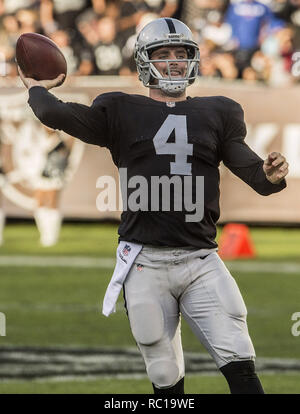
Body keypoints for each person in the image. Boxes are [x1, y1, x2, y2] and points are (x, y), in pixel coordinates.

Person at [18, 17, 288, 394]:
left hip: (201, 261)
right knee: (165, 378)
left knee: (241, 364)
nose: (175, 61)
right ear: (145, 61)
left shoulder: (219, 112)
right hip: (144, 262)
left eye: (182, 53)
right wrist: (36, 87)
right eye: (164, 54)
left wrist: (271, 175)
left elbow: (257, 177)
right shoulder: (119, 110)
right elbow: (56, 114)